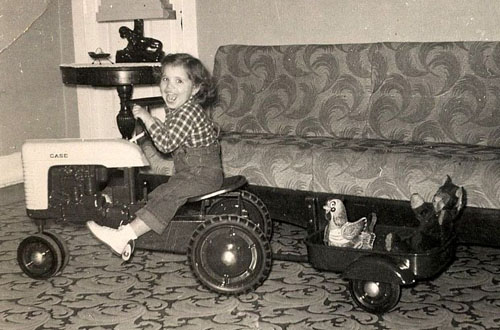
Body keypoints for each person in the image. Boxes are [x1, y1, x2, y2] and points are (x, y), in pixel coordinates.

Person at [87, 53, 223, 258]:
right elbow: (172, 136)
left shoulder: (187, 112)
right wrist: (154, 125)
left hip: (202, 174)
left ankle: (123, 236)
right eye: (165, 79)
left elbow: (166, 144)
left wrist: (146, 117)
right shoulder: (180, 110)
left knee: (168, 195)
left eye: (179, 81)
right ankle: (136, 229)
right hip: (192, 173)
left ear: (195, 88)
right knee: (160, 193)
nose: (169, 87)